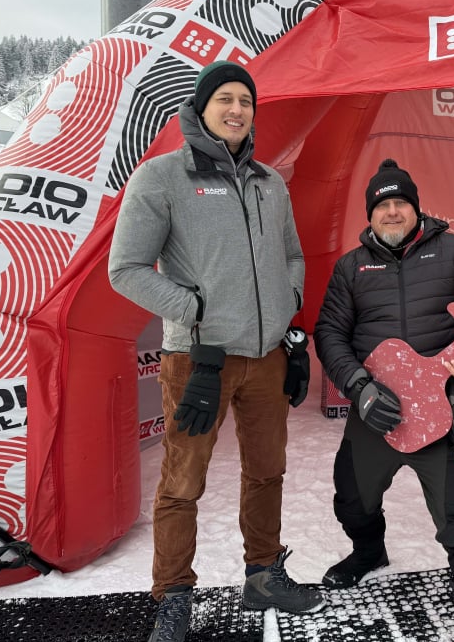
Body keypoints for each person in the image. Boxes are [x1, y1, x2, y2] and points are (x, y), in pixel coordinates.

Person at [109, 61, 322, 642]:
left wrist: (287, 302)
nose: (236, 110)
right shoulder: (162, 178)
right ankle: (174, 593)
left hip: (268, 355)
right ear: (201, 108)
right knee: (183, 481)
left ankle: (263, 573)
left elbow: (293, 257)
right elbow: (124, 269)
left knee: (268, 471)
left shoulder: (269, 183)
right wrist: (196, 310)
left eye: (245, 101)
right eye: (224, 99)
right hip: (197, 359)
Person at [314, 159, 454, 642]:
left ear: (417, 209)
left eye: (402, 202)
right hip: (375, 410)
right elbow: (330, 333)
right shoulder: (351, 266)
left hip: (443, 412)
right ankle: (368, 552)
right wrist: (358, 387)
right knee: (352, 501)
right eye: (383, 204)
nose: (393, 211)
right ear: (371, 214)